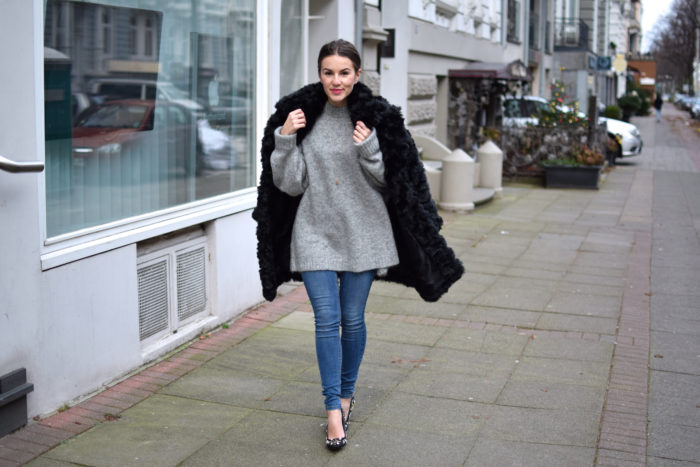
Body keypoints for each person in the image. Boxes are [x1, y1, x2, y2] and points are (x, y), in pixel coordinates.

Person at [252, 39, 463, 451]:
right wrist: (285, 140)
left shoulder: (376, 118)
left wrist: (369, 149)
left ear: (358, 74)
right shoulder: (302, 117)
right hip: (314, 230)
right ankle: (333, 410)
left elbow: (394, 182)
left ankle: (347, 394)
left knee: (353, 319)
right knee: (325, 319)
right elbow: (290, 184)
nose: (336, 80)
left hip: (364, 231)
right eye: (328, 72)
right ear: (320, 74)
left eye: (344, 72)